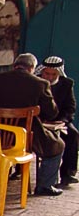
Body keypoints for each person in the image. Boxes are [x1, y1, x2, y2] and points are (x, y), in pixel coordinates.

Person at [0, 53, 65, 196]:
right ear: (32, 68)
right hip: (26, 135)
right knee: (57, 144)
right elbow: (52, 113)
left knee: (0, 145)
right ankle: (45, 186)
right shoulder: (40, 84)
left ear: (15, 65)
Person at [36, 56, 78, 186]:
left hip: (59, 120)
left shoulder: (67, 84)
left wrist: (62, 121)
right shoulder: (35, 82)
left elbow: (70, 107)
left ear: (58, 73)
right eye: (46, 73)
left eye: (53, 74)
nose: (49, 77)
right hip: (38, 120)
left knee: (73, 134)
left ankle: (67, 173)